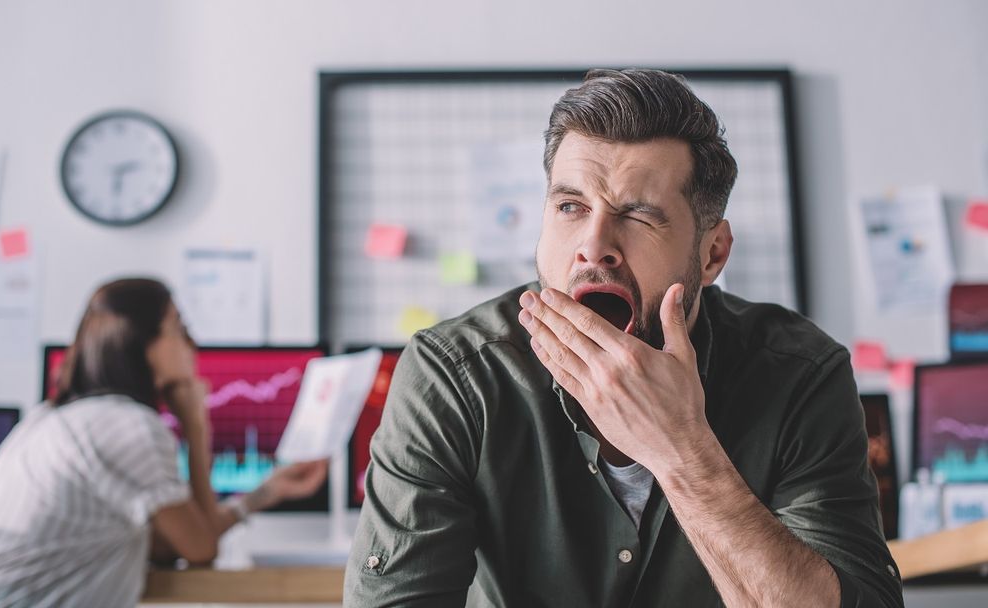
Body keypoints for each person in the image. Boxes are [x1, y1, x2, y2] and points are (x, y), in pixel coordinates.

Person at [345, 69, 904, 607]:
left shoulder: (800, 374)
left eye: (637, 216)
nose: (593, 247)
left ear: (712, 254)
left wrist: (682, 449)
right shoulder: (454, 375)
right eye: (570, 207)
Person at [0, 278, 328, 608]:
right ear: (143, 345)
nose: (192, 344)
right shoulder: (129, 427)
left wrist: (264, 494)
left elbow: (169, 544)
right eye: (179, 329)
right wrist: (195, 427)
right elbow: (201, 547)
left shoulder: (49, 418)